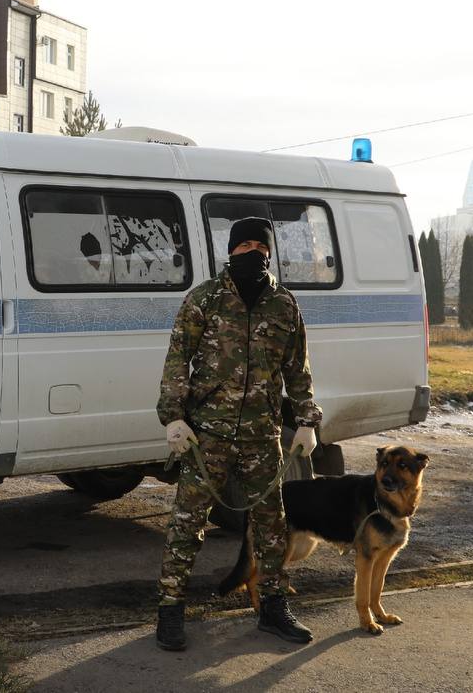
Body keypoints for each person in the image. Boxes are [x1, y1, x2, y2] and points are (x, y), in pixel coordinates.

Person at [154, 216, 321, 650]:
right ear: (230, 251)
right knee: (188, 524)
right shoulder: (204, 300)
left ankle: (273, 606)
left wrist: (306, 421)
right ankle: (170, 609)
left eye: (259, 245)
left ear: (269, 251)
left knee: (271, 524)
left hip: (261, 435)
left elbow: (297, 367)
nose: (252, 252)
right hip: (206, 433)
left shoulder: (284, 304)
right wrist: (173, 416)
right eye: (244, 244)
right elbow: (178, 360)